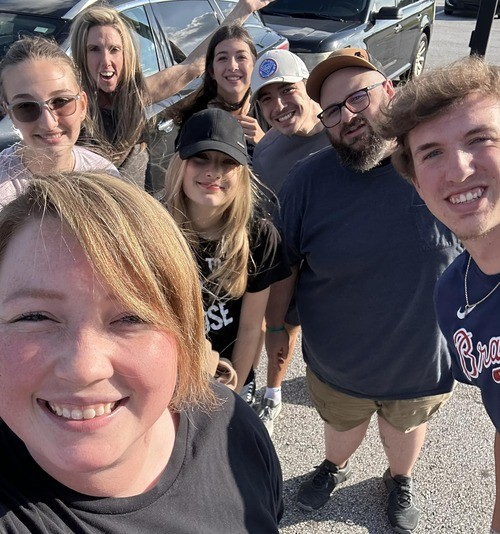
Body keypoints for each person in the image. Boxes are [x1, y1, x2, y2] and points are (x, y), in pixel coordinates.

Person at [0, 170, 283, 532]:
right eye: (35, 316)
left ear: (184, 333)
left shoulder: (229, 423)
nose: (84, 368)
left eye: (131, 317)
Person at [265, 47, 462, 533]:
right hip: (339, 364)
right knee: (341, 427)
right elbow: (285, 265)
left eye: (358, 98)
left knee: (405, 429)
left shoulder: (437, 164)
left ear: (389, 90)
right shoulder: (306, 181)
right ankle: (333, 467)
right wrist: (276, 327)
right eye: (332, 111)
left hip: (421, 363)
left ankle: (400, 478)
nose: (347, 117)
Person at [380, 55, 500, 534]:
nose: (459, 170)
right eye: (431, 153)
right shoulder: (453, 296)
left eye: (480, 139)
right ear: (415, 181)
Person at [69, 1, 273, 186]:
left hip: (134, 209)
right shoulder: (69, 108)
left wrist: (243, 9)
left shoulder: (134, 96)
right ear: (81, 54)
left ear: (126, 54)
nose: (106, 61)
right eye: (94, 49)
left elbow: (192, 66)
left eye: (114, 49)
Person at [163, 108, 289, 405]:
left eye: (227, 161)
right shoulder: (154, 226)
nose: (213, 171)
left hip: (228, 376)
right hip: (166, 374)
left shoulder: (258, 236)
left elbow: (250, 328)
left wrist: (233, 395)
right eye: (200, 157)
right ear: (179, 164)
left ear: (242, 171)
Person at [249, 48, 330, 434]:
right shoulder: (267, 149)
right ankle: (273, 393)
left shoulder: (341, 133)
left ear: (308, 86)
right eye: (266, 98)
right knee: (279, 326)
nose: (278, 106)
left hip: (336, 265)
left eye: (287, 90)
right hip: (287, 263)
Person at [0, 36, 118, 207]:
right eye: (26, 106)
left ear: (82, 105)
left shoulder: (106, 176)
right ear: (10, 113)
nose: (49, 123)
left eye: (61, 101)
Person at [168, 24, 267, 159]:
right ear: (212, 71)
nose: (232, 66)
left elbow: (289, 166)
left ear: (254, 66)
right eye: (222, 58)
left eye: (241, 57)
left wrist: (265, 143)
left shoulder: (268, 109)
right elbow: (183, 169)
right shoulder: (197, 121)